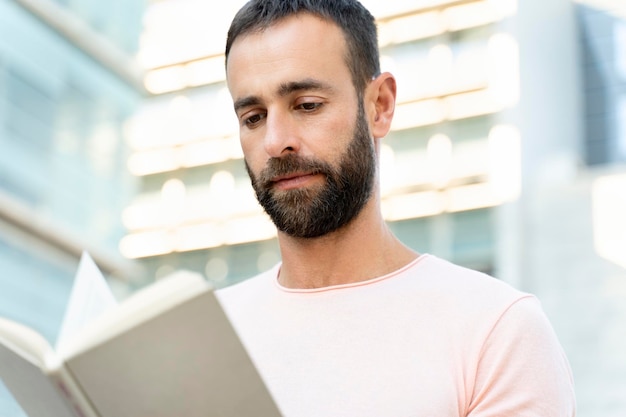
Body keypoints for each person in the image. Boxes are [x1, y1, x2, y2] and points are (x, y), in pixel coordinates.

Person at [216, 0, 576, 415]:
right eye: (254, 117)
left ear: (379, 106)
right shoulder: (206, 335)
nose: (275, 141)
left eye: (307, 104)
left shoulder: (496, 330)